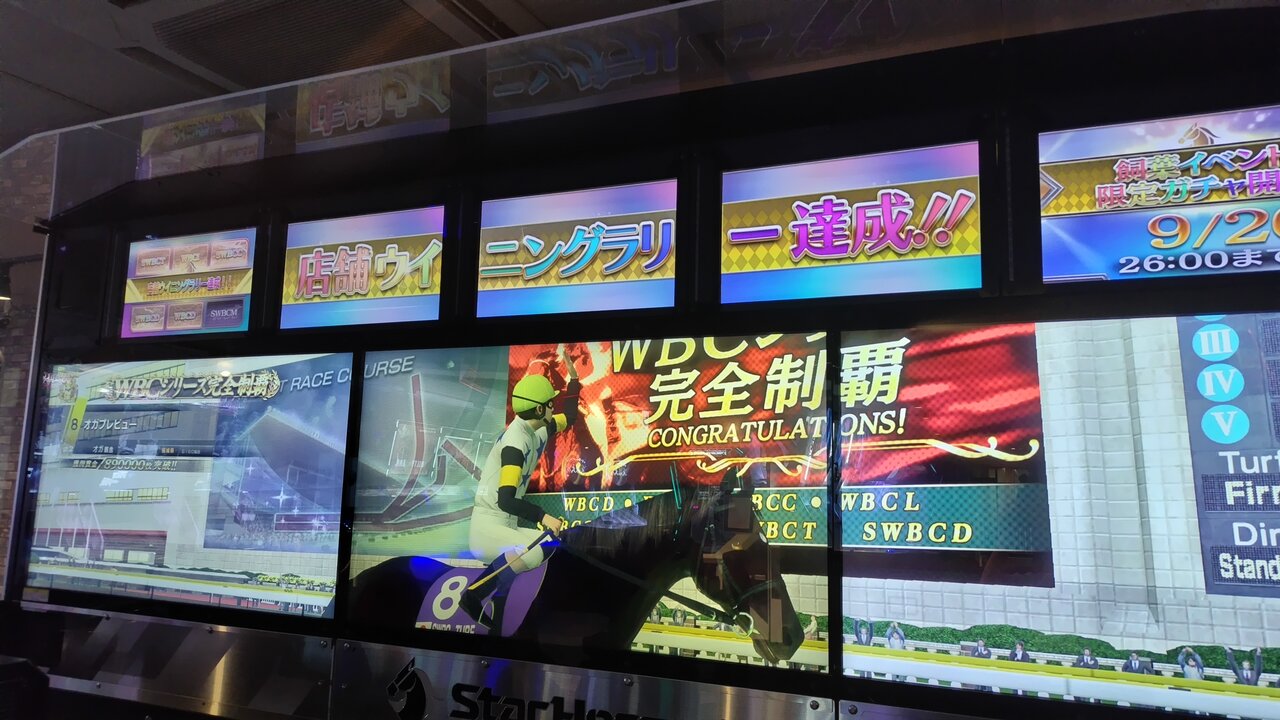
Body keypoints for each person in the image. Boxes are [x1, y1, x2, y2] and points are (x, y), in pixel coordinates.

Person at [460, 353, 581, 630]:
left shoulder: (537, 428)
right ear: (539, 410)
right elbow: (505, 500)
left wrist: (574, 380)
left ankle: (499, 600)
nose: (553, 407)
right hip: (488, 527)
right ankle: (473, 596)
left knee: (549, 545)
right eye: (550, 404)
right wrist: (542, 516)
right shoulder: (515, 443)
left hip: (506, 524)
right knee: (531, 553)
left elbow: (570, 417)